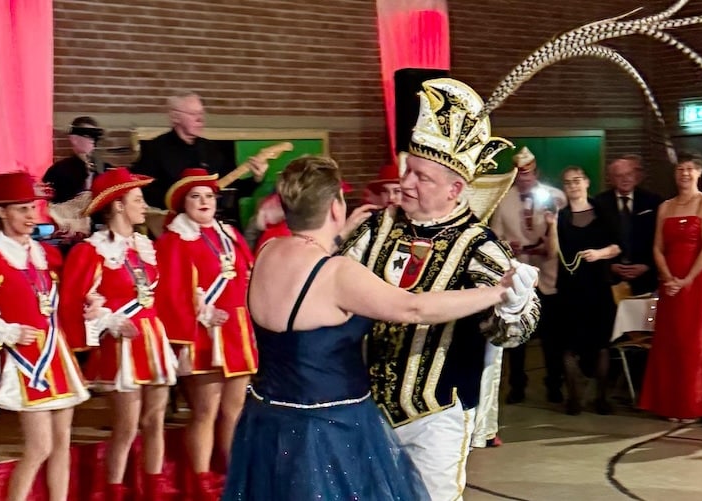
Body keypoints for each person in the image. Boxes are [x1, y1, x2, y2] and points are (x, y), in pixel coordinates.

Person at [223, 156, 527, 500]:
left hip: (268, 420)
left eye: (420, 176)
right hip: (330, 428)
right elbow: (413, 308)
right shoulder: (337, 271)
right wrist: (500, 291)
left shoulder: (267, 250)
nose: (407, 183)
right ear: (336, 206)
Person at [339, 78, 540, 499]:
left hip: (436, 414)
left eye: (422, 177)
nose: (407, 183)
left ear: (455, 190)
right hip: (364, 407)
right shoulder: (376, 228)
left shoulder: (480, 246)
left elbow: (513, 333)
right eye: (407, 170)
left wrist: (514, 308)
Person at [59, 168, 179, 500]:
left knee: (156, 420)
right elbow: (76, 305)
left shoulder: (144, 245)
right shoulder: (91, 251)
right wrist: (110, 320)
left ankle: (152, 490)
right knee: (126, 427)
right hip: (122, 346)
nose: (144, 206)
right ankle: (114, 491)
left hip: (152, 340)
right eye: (138, 200)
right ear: (118, 206)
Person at [0, 172, 90, 501]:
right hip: (24, 362)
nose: (31, 217)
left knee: (62, 445)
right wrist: (5, 331)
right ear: (1, 212)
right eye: (22, 209)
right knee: (39, 448)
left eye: (33, 208)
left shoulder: (44, 257)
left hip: (58, 356)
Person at [155, 168, 257, 497]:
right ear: (183, 204)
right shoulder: (174, 240)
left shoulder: (229, 234)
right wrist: (200, 311)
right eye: (195, 196)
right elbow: (168, 292)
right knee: (205, 411)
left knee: (235, 410)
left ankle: (231, 472)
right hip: (202, 335)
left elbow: (246, 276)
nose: (204, 202)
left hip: (236, 333)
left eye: (209, 196)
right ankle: (200, 482)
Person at [638, 150, 702, 422]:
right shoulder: (666, 206)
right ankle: (670, 404)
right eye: (680, 168)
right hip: (670, 283)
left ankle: (696, 405)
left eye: (690, 169)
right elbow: (657, 247)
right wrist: (668, 277)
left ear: (699, 173)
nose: (684, 173)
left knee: (696, 344)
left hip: (698, 283)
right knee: (672, 343)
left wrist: (686, 280)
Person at [489, 146, 567, 407]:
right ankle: (517, 386)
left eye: (530, 174)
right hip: (519, 273)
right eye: (521, 175)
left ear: (537, 174)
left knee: (552, 338)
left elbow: (565, 236)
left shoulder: (555, 197)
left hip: (548, 272)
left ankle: (555, 384)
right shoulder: (503, 199)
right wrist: (507, 246)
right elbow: (495, 237)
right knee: (517, 336)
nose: (525, 179)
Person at [552, 166, 620, 415]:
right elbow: (553, 251)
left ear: (587, 182)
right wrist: (549, 226)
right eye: (568, 182)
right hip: (570, 288)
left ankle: (601, 398)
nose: (573, 186)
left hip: (598, 285)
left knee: (601, 342)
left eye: (577, 181)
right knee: (568, 344)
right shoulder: (560, 216)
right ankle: (574, 400)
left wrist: (599, 254)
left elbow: (618, 246)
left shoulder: (603, 211)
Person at [132, 91, 268, 211]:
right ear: (175, 117)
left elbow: (233, 188)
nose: (200, 119)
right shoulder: (155, 149)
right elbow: (143, 191)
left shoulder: (211, 149)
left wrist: (256, 178)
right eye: (193, 114)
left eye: (201, 113)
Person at [595, 155, 663, 295]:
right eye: (619, 175)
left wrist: (647, 265)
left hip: (646, 276)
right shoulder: (599, 203)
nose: (625, 179)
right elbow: (595, 239)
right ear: (611, 179)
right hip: (610, 279)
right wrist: (610, 266)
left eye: (629, 174)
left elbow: (661, 237)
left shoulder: (653, 201)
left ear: (636, 176)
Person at [43, 116, 109, 205]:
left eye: (94, 137)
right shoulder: (59, 170)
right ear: (74, 139)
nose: (92, 141)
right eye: (88, 136)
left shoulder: (105, 169)